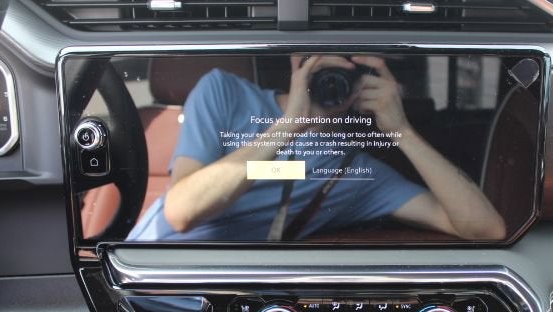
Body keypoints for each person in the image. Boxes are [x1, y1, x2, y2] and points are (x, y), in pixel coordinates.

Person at [127, 55, 506, 241]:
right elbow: (182, 211)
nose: (332, 82)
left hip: (219, 307)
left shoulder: (355, 173)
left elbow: (486, 228)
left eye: (347, 71)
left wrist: (400, 130)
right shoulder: (224, 93)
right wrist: (291, 123)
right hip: (148, 280)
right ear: (298, 62)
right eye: (324, 67)